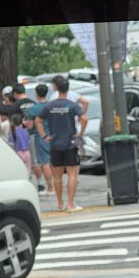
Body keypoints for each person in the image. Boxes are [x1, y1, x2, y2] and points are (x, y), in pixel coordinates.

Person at [36, 77, 88, 212]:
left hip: (55, 144)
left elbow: (38, 120)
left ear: (56, 89)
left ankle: (60, 204)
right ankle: (70, 204)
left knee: (57, 176)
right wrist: (80, 133)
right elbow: (84, 118)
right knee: (72, 174)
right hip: (70, 144)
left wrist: (44, 136)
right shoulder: (72, 105)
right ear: (68, 89)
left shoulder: (50, 105)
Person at [26, 84, 55, 196]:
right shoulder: (52, 106)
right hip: (53, 136)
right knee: (53, 162)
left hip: (41, 137)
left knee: (45, 163)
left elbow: (29, 125)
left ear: (36, 94)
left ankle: (50, 188)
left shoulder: (33, 109)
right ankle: (56, 185)